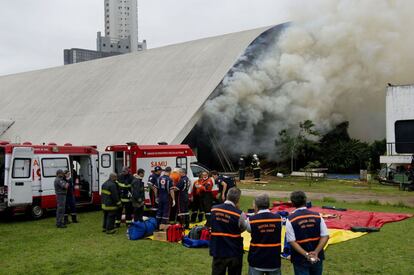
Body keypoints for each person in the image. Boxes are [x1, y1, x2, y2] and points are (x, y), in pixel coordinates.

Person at [286, 191, 329, 275]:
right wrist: (316, 252)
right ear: (305, 201)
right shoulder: (317, 216)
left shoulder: (290, 219)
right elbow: (325, 236)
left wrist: (306, 255)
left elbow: (292, 241)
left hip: (300, 258)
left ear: (292, 203)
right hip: (317, 257)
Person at [210, 187, 247, 275]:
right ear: (238, 199)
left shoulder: (214, 209)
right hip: (234, 250)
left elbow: (212, 224)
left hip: (218, 248)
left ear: (227, 196)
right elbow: (243, 227)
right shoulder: (239, 213)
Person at [247, 194, 282, 275]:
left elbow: (249, 230)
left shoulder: (251, 220)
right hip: (274, 260)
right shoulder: (278, 218)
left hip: (256, 259)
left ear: (256, 205)